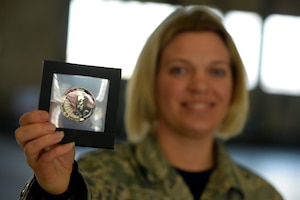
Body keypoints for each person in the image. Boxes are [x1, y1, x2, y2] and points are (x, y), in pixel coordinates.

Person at [15, 5, 282, 200]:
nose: (200, 86)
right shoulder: (90, 180)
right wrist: (55, 193)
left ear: (234, 85)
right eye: (179, 70)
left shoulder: (263, 194)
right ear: (151, 82)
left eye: (217, 71)